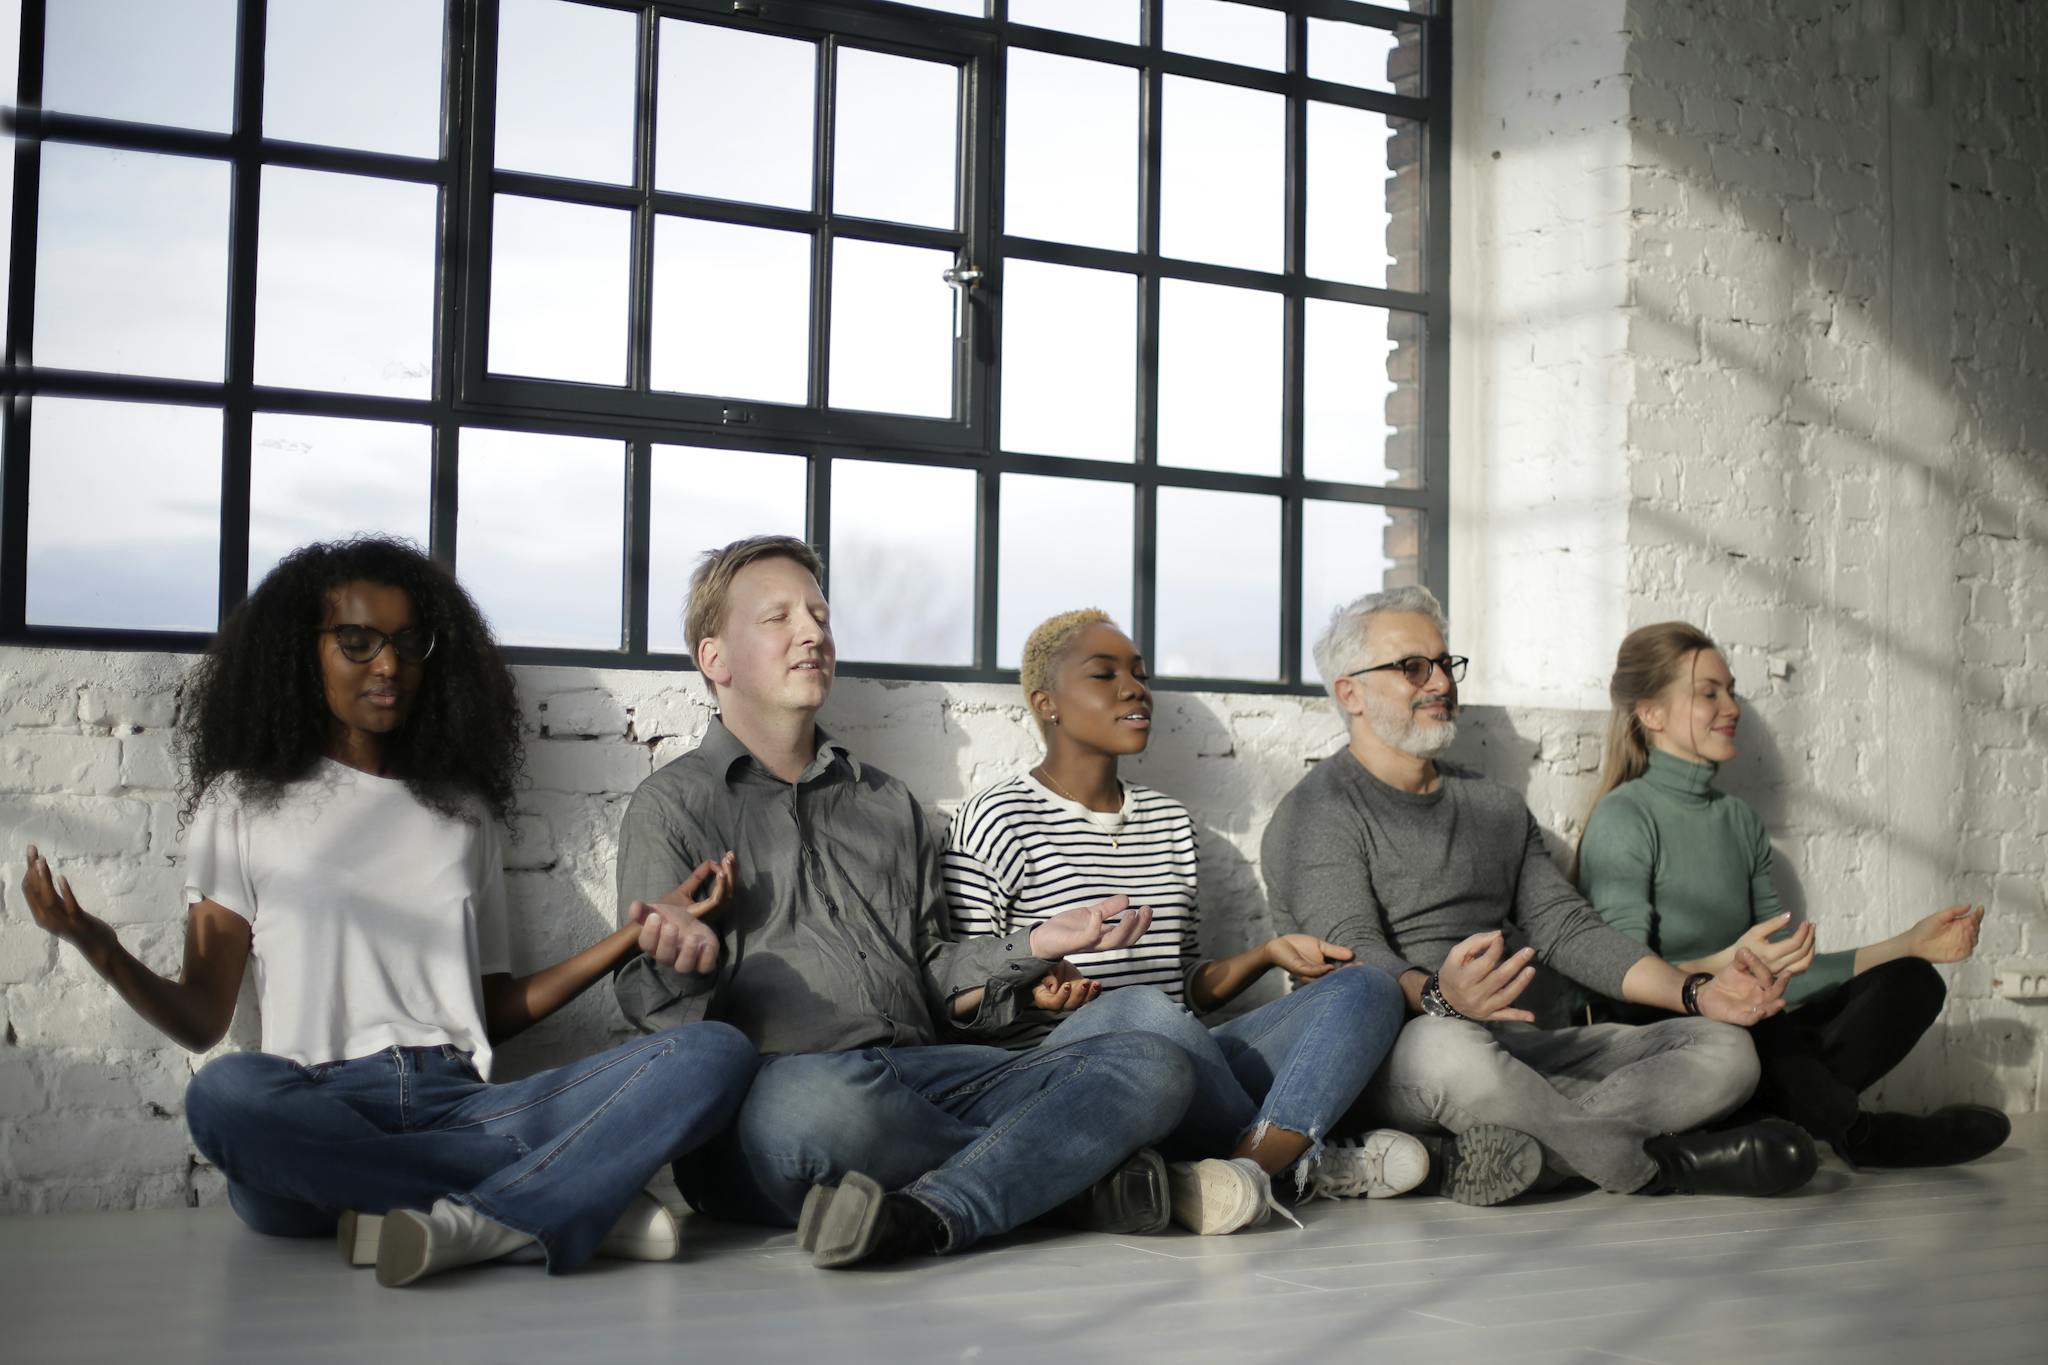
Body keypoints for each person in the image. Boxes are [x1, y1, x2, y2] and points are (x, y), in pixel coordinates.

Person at [17, 537, 757, 1288]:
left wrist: (630, 936)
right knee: (224, 1095)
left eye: (408, 643)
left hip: (461, 1103)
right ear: (300, 653)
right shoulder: (239, 803)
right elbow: (205, 1019)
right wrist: (97, 945)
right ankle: (544, 1197)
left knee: (713, 1052)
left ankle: (475, 1214)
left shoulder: (463, 813)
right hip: (317, 1111)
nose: (388, 664)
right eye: (357, 640)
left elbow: (486, 1008)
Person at [612, 536, 1197, 1269]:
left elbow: (934, 965)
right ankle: (1061, 1177)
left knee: (1154, 1060)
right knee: (819, 1106)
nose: (813, 632)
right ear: (714, 659)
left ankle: (932, 1211)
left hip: (931, 1074)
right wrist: (684, 964)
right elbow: (656, 1021)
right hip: (783, 1096)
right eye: (779, 617)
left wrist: (1034, 943)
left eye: (820, 615)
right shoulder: (671, 806)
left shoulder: (889, 803)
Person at [1261, 585, 1819, 1205]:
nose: (1442, 683)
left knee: (1726, 1048)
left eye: (1446, 663)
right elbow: (1354, 958)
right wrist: (1443, 997)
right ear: (1350, 692)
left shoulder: (1494, 807)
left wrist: (1696, 992)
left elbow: (1567, 928)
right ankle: (1660, 1163)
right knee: (1451, 1049)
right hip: (1398, 1054)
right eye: (1413, 667)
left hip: (1517, 1051)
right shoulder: (1316, 811)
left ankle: (1471, 1159)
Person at [945, 609, 1424, 1235]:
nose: (1134, 687)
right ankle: (1298, 1154)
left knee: (1367, 986)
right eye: (1104, 674)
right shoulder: (996, 818)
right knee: (1140, 1011)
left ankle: (1238, 1175)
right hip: (1069, 1072)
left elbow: (1184, 989)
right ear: (1047, 703)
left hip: (1187, 1060)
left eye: (1140, 674)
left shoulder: (1169, 822)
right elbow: (959, 993)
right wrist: (1035, 990)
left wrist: (1266, 956)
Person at [1575, 621, 2009, 1168]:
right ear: (1652, 713)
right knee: (1757, 1020)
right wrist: (1724, 972)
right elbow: (1624, 985)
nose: (1730, 707)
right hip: (1669, 1038)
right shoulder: (1626, 816)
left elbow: (1785, 970)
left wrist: (1908, 944)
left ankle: (1759, 1122)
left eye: (1730, 690)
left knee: (1910, 983)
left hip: (1753, 1030)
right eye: (1709, 693)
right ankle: (1860, 1135)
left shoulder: (1739, 822)